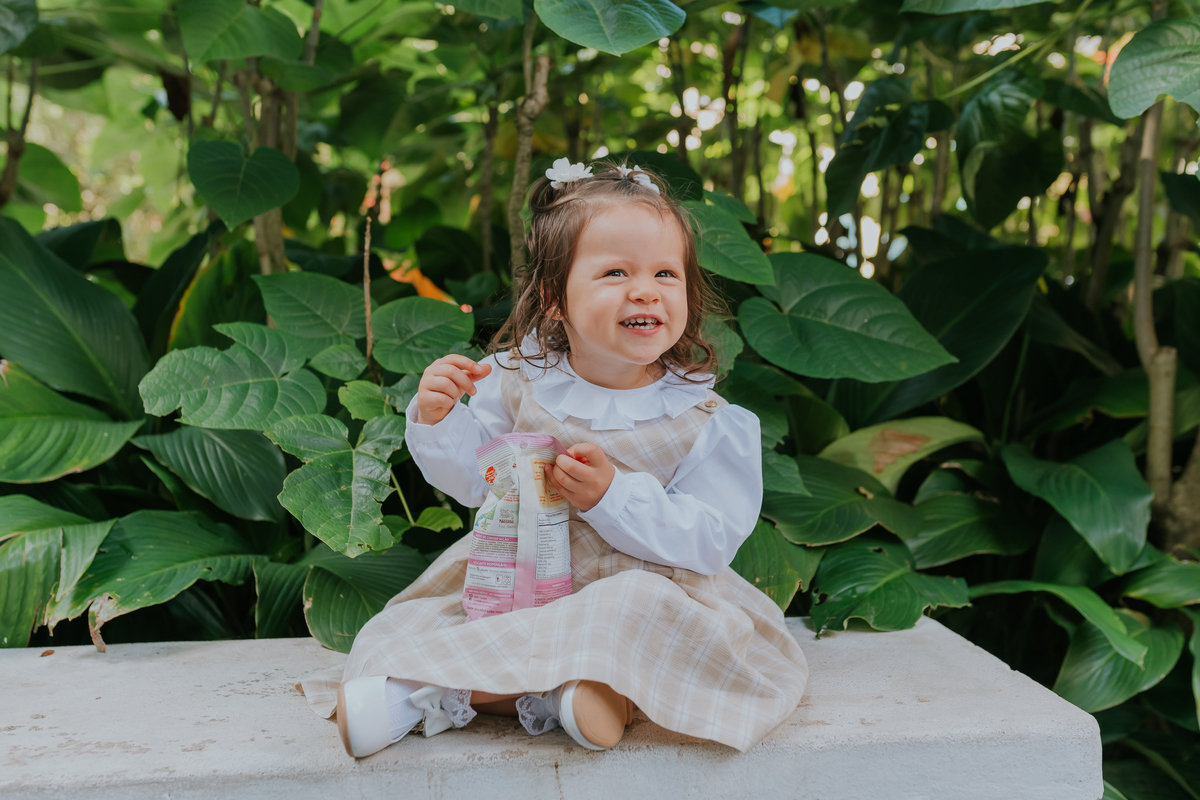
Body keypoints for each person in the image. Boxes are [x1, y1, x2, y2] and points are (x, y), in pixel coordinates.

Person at [299, 158, 808, 757]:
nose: (645, 289)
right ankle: (459, 691)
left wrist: (612, 496)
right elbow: (473, 482)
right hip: (518, 577)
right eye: (615, 272)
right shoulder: (519, 380)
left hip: (644, 590)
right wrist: (441, 420)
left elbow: (710, 539)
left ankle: (473, 690)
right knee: (422, 622)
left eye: (666, 273)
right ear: (555, 297)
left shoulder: (705, 420)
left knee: (627, 612)